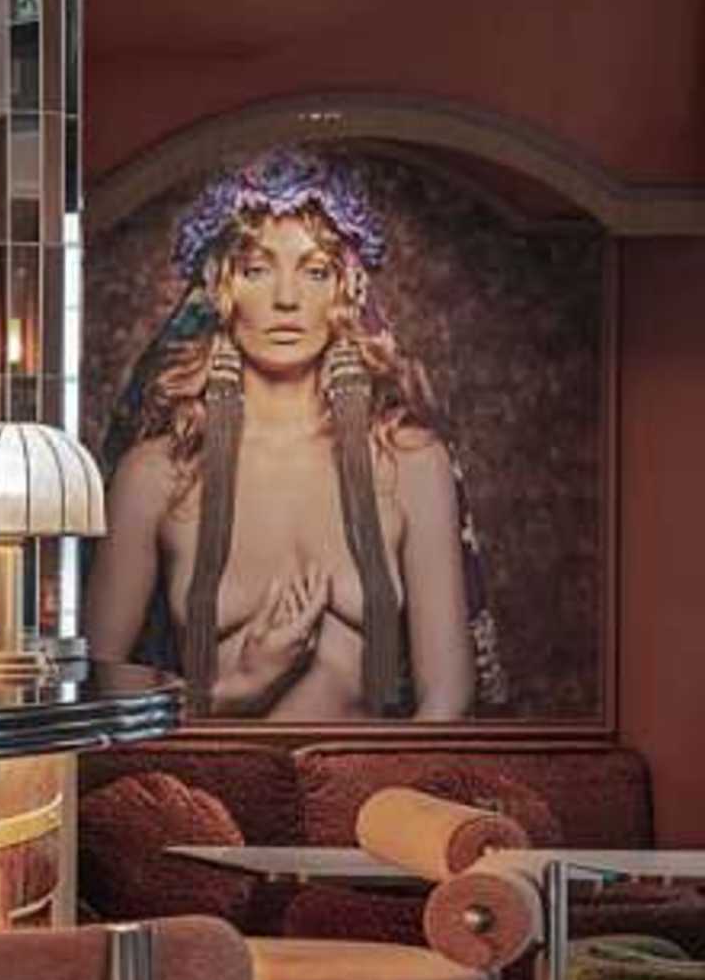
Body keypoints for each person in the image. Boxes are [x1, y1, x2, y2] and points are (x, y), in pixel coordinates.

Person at [91, 150, 486, 720]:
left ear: (347, 289)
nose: (286, 298)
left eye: (315, 271)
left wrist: (377, 779)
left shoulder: (409, 464)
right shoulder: (157, 474)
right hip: (207, 771)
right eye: (257, 269)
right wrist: (239, 688)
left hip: (366, 773)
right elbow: (94, 698)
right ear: (220, 287)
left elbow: (447, 699)